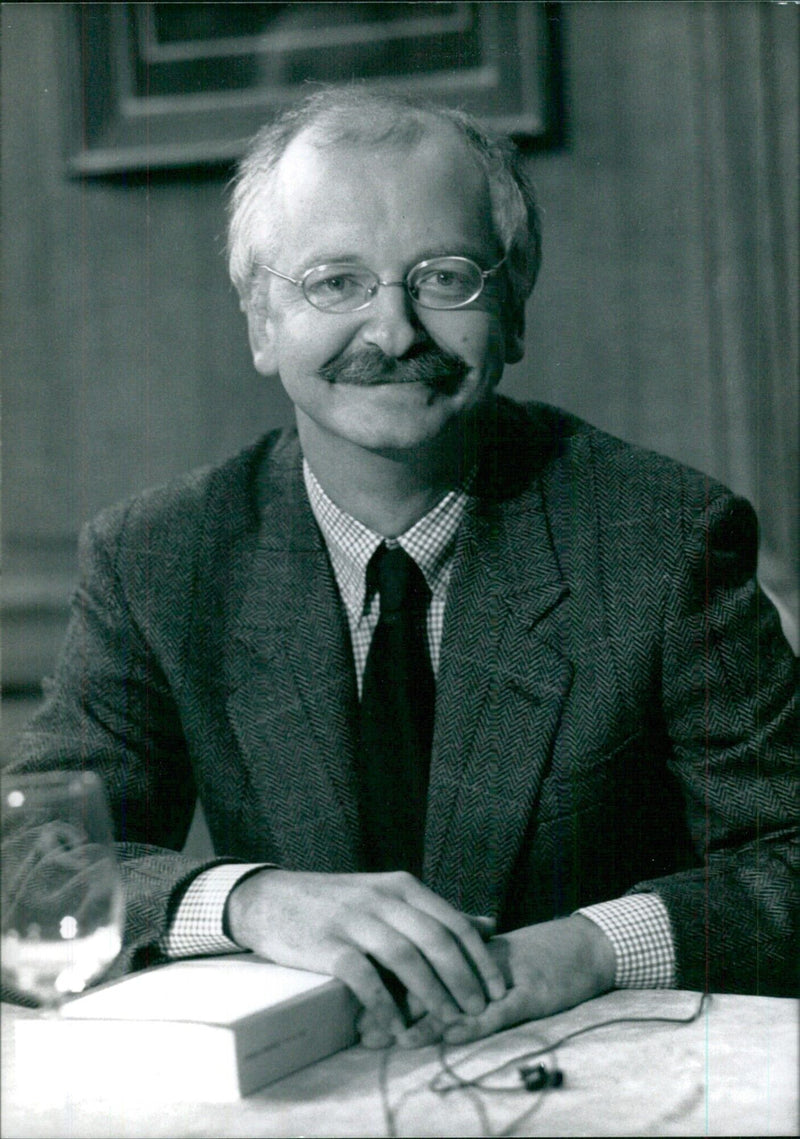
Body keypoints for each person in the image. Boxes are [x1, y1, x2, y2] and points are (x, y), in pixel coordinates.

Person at [10, 87, 797, 1048]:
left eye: (444, 278)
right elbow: (26, 860)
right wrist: (251, 899)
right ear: (262, 322)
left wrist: (585, 949)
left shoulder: (663, 536)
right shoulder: (162, 555)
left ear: (513, 306)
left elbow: (792, 855)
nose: (392, 333)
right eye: (334, 283)